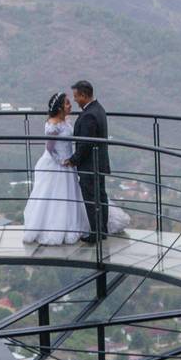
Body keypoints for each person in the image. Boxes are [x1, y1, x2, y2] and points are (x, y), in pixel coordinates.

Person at [22, 92, 90, 244]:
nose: (70, 105)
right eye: (67, 103)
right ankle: (56, 228)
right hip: (57, 164)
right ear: (59, 107)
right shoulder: (53, 126)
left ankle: (71, 225)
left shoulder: (64, 120)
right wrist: (62, 161)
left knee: (69, 195)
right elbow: (50, 148)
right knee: (56, 196)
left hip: (68, 163)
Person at [67, 80, 111, 242]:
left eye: (76, 97)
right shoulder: (99, 109)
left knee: (92, 199)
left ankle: (96, 234)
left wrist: (73, 160)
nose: (75, 100)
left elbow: (85, 143)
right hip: (99, 162)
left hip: (90, 165)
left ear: (84, 95)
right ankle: (102, 230)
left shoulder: (89, 115)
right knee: (101, 196)